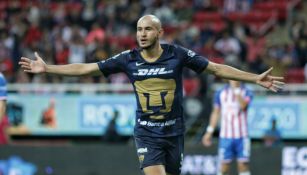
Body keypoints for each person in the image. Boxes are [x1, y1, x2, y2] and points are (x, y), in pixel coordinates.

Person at [19, 15, 284, 175]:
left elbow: (215, 69)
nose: (141, 34)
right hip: (147, 133)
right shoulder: (128, 59)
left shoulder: (177, 54)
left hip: (174, 132)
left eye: (147, 29)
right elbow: (86, 67)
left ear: (160, 33)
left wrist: (254, 78)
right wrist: (48, 67)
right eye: (138, 29)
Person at [202, 80, 253, 175]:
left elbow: (243, 106)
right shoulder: (220, 92)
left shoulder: (247, 91)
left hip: (242, 137)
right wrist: (209, 131)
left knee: (243, 165)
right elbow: (215, 112)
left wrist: (236, 90)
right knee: (224, 167)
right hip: (225, 136)